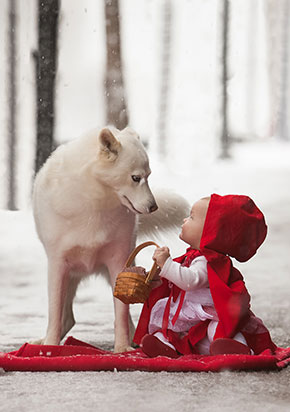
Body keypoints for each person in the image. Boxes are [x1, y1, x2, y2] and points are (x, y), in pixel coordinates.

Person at [133, 194, 276, 358]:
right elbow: (176, 281)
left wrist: (167, 264)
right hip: (195, 318)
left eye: (191, 217)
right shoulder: (193, 256)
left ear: (211, 231)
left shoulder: (209, 262)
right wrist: (157, 276)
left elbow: (190, 281)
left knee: (217, 329)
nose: (185, 220)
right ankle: (165, 344)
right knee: (171, 329)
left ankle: (236, 347)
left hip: (208, 312)